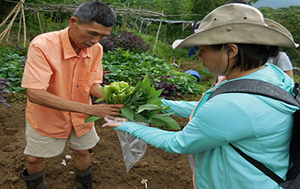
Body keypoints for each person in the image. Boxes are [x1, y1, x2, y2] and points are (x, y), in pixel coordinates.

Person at [102, 3, 299, 189]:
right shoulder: (272, 76)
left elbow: (178, 143)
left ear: (230, 50)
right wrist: (160, 104)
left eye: (202, 50)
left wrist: (126, 125)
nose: (198, 56)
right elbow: (209, 110)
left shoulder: (234, 105)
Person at [21, 1, 124, 188]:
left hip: (81, 117)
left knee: (83, 152)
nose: (95, 41)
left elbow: (93, 84)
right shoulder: (43, 46)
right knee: (34, 158)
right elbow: (35, 93)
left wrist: (117, 99)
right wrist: (90, 108)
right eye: (92, 33)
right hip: (47, 116)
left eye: (102, 36)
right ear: (73, 22)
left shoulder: (96, 50)